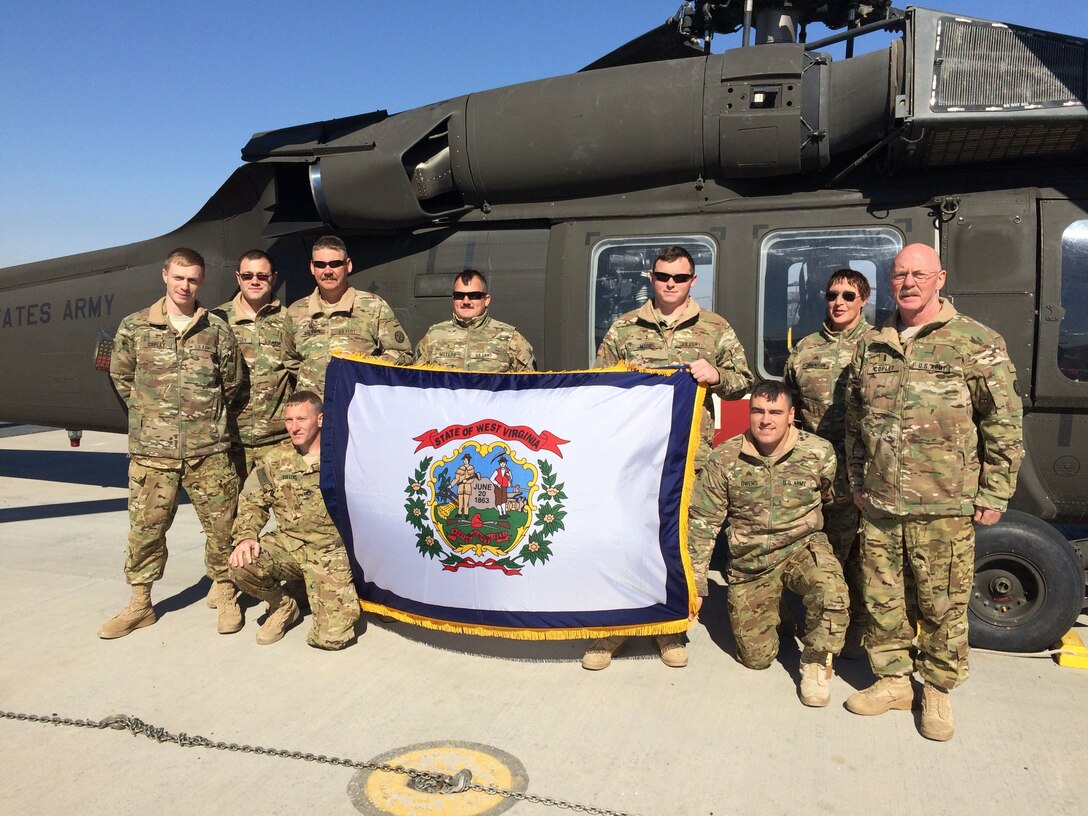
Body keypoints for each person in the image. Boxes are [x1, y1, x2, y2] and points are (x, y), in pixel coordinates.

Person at [844, 243, 1024, 741]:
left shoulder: (974, 341)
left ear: (939, 278)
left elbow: (1003, 421)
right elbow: (856, 423)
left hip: (944, 503)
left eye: (918, 274)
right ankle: (893, 681)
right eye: (900, 274)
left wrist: (994, 491)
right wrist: (858, 481)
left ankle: (938, 690)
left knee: (942, 603)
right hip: (880, 502)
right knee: (883, 598)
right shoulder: (872, 343)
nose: (908, 283)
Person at [584, 245, 754, 670]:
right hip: (633, 460)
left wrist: (717, 376)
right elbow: (596, 386)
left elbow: (742, 380)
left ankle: (669, 627)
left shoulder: (715, 328)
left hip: (689, 457)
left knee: (677, 545)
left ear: (693, 281)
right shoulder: (624, 329)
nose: (670, 285)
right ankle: (614, 629)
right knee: (625, 540)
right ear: (651, 277)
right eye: (663, 277)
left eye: (679, 278)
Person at [99, 248, 244, 639]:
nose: (185, 285)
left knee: (223, 528)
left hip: (208, 451)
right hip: (153, 453)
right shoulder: (135, 327)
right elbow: (122, 378)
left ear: (201, 282)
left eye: (193, 279)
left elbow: (231, 384)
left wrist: (202, 420)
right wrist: (154, 418)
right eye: (179, 277)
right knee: (145, 530)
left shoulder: (217, 329)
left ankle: (226, 591)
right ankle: (140, 604)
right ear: (165, 275)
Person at [687, 381, 849, 705]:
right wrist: (696, 583)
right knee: (756, 659)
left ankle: (816, 666)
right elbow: (703, 521)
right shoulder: (725, 458)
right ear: (749, 414)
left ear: (791, 415)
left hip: (801, 548)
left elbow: (839, 507)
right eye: (758, 411)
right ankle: (780, 610)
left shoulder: (818, 452)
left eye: (775, 412)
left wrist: (837, 566)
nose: (766, 420)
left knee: (832, 594)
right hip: (751, 561)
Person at [228, 391, 361, 649]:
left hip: (329, 551)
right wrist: (245, 536)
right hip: (289, 544)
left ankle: (318, 589)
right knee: (241, 564)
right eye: (289, 420)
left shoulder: (343, 456)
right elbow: (252, 500)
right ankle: (283, 606)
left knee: (332, 640)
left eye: (302, 419)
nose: (294, 427)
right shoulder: (276, 459)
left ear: (320, 419)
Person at [783, 268, 871, 656]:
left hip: (863, 472)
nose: (839, 302)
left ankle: (853, 630)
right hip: (812, 468)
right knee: (807, 543)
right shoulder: (804, 349)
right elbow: (788, 408)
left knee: (859, 552)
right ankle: (801, 616)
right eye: (833, 295)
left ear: (863, 300)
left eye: (848, 296)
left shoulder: (878, 345)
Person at [285, 235, 413, 397]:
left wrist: (362, 367)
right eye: (320, 265)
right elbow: (290, 359)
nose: (328, 271)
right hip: (313, 414)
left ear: (348, 265)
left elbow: (402, 354)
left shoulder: (373, 306)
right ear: (312, 267)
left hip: (356, 407)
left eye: (335, 264)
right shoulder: (296, 311)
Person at [213, 249, 294, 477]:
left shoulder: (291, 320)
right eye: (248, 276)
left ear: (274, 278)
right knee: (234, 513)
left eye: (262, 276)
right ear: (238, 278)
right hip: (230, 442)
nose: (255, 281)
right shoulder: (216, 321)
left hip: (277, 442)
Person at [415, 269, 536, 372]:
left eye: (474, 295)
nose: (466, 301)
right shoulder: (433, 336)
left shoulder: (511, 338)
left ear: (486, 299)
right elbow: (416, 382)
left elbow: (529, 387)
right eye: (459, 295)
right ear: (453, 299)